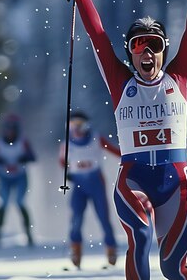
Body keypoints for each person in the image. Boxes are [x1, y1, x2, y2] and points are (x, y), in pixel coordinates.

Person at [61, 0, 187, 279]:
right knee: (140, 233)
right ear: (130, 54)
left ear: (164, 50)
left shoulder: (178, 77)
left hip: (174, 185)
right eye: (138, 46)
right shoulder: (120, 82)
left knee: (173, 269)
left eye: (153, 44)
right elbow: (98, 38)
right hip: (134, 178)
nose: (147, 52)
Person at [59, 111, 121, 269]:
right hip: (79, 185)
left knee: (103, 218)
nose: (77, 128)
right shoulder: (67, 143)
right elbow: (62, 162)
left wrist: (130, 157)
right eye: (74, 124)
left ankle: (111, 250)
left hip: (96, 184)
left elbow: (115, 151)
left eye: (81, 124)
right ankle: (75, 252)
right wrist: (68, 174)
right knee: (76, 219)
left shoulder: (95, 138)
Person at [0, 114, 36, 247]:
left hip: (20, 176)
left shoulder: (22, 141)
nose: (9, 132)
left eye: (12, 129)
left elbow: (33, 156)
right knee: (3, 202)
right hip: (5, 178)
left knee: (20, 202)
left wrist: (24, 158)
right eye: (7, 128)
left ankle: (28, 233)